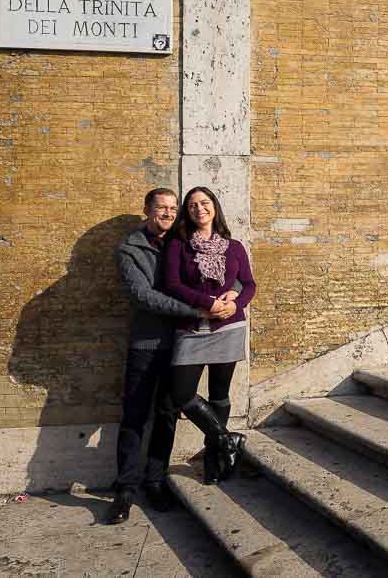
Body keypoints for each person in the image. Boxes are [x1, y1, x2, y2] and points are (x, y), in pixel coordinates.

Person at [108, 188, 238, 524]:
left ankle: (155, 480)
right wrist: (198, 311)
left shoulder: (185, 242)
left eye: (171, 208)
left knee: (167, 413)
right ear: (147, 210)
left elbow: (228, 273)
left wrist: (231, 296)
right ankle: (124, 489)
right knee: (134, 416)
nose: (167, 213)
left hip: (183, 343)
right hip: (148, 343)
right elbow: (144, 296)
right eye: (160, 208)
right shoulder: (130, 249)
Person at [165, 186, 256, 485]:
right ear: (187, 212)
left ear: (215, 207)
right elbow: (172, 284)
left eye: (205, 203)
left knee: (220, 394)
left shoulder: (235, 247)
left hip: (228, 327)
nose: (199, 209)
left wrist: (234, 304)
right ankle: (228, 439)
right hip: (192, 328)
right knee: (181, 394)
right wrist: (209, 304)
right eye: (192, 205)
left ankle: (214, 461)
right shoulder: (179, 245)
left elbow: (249, 285)